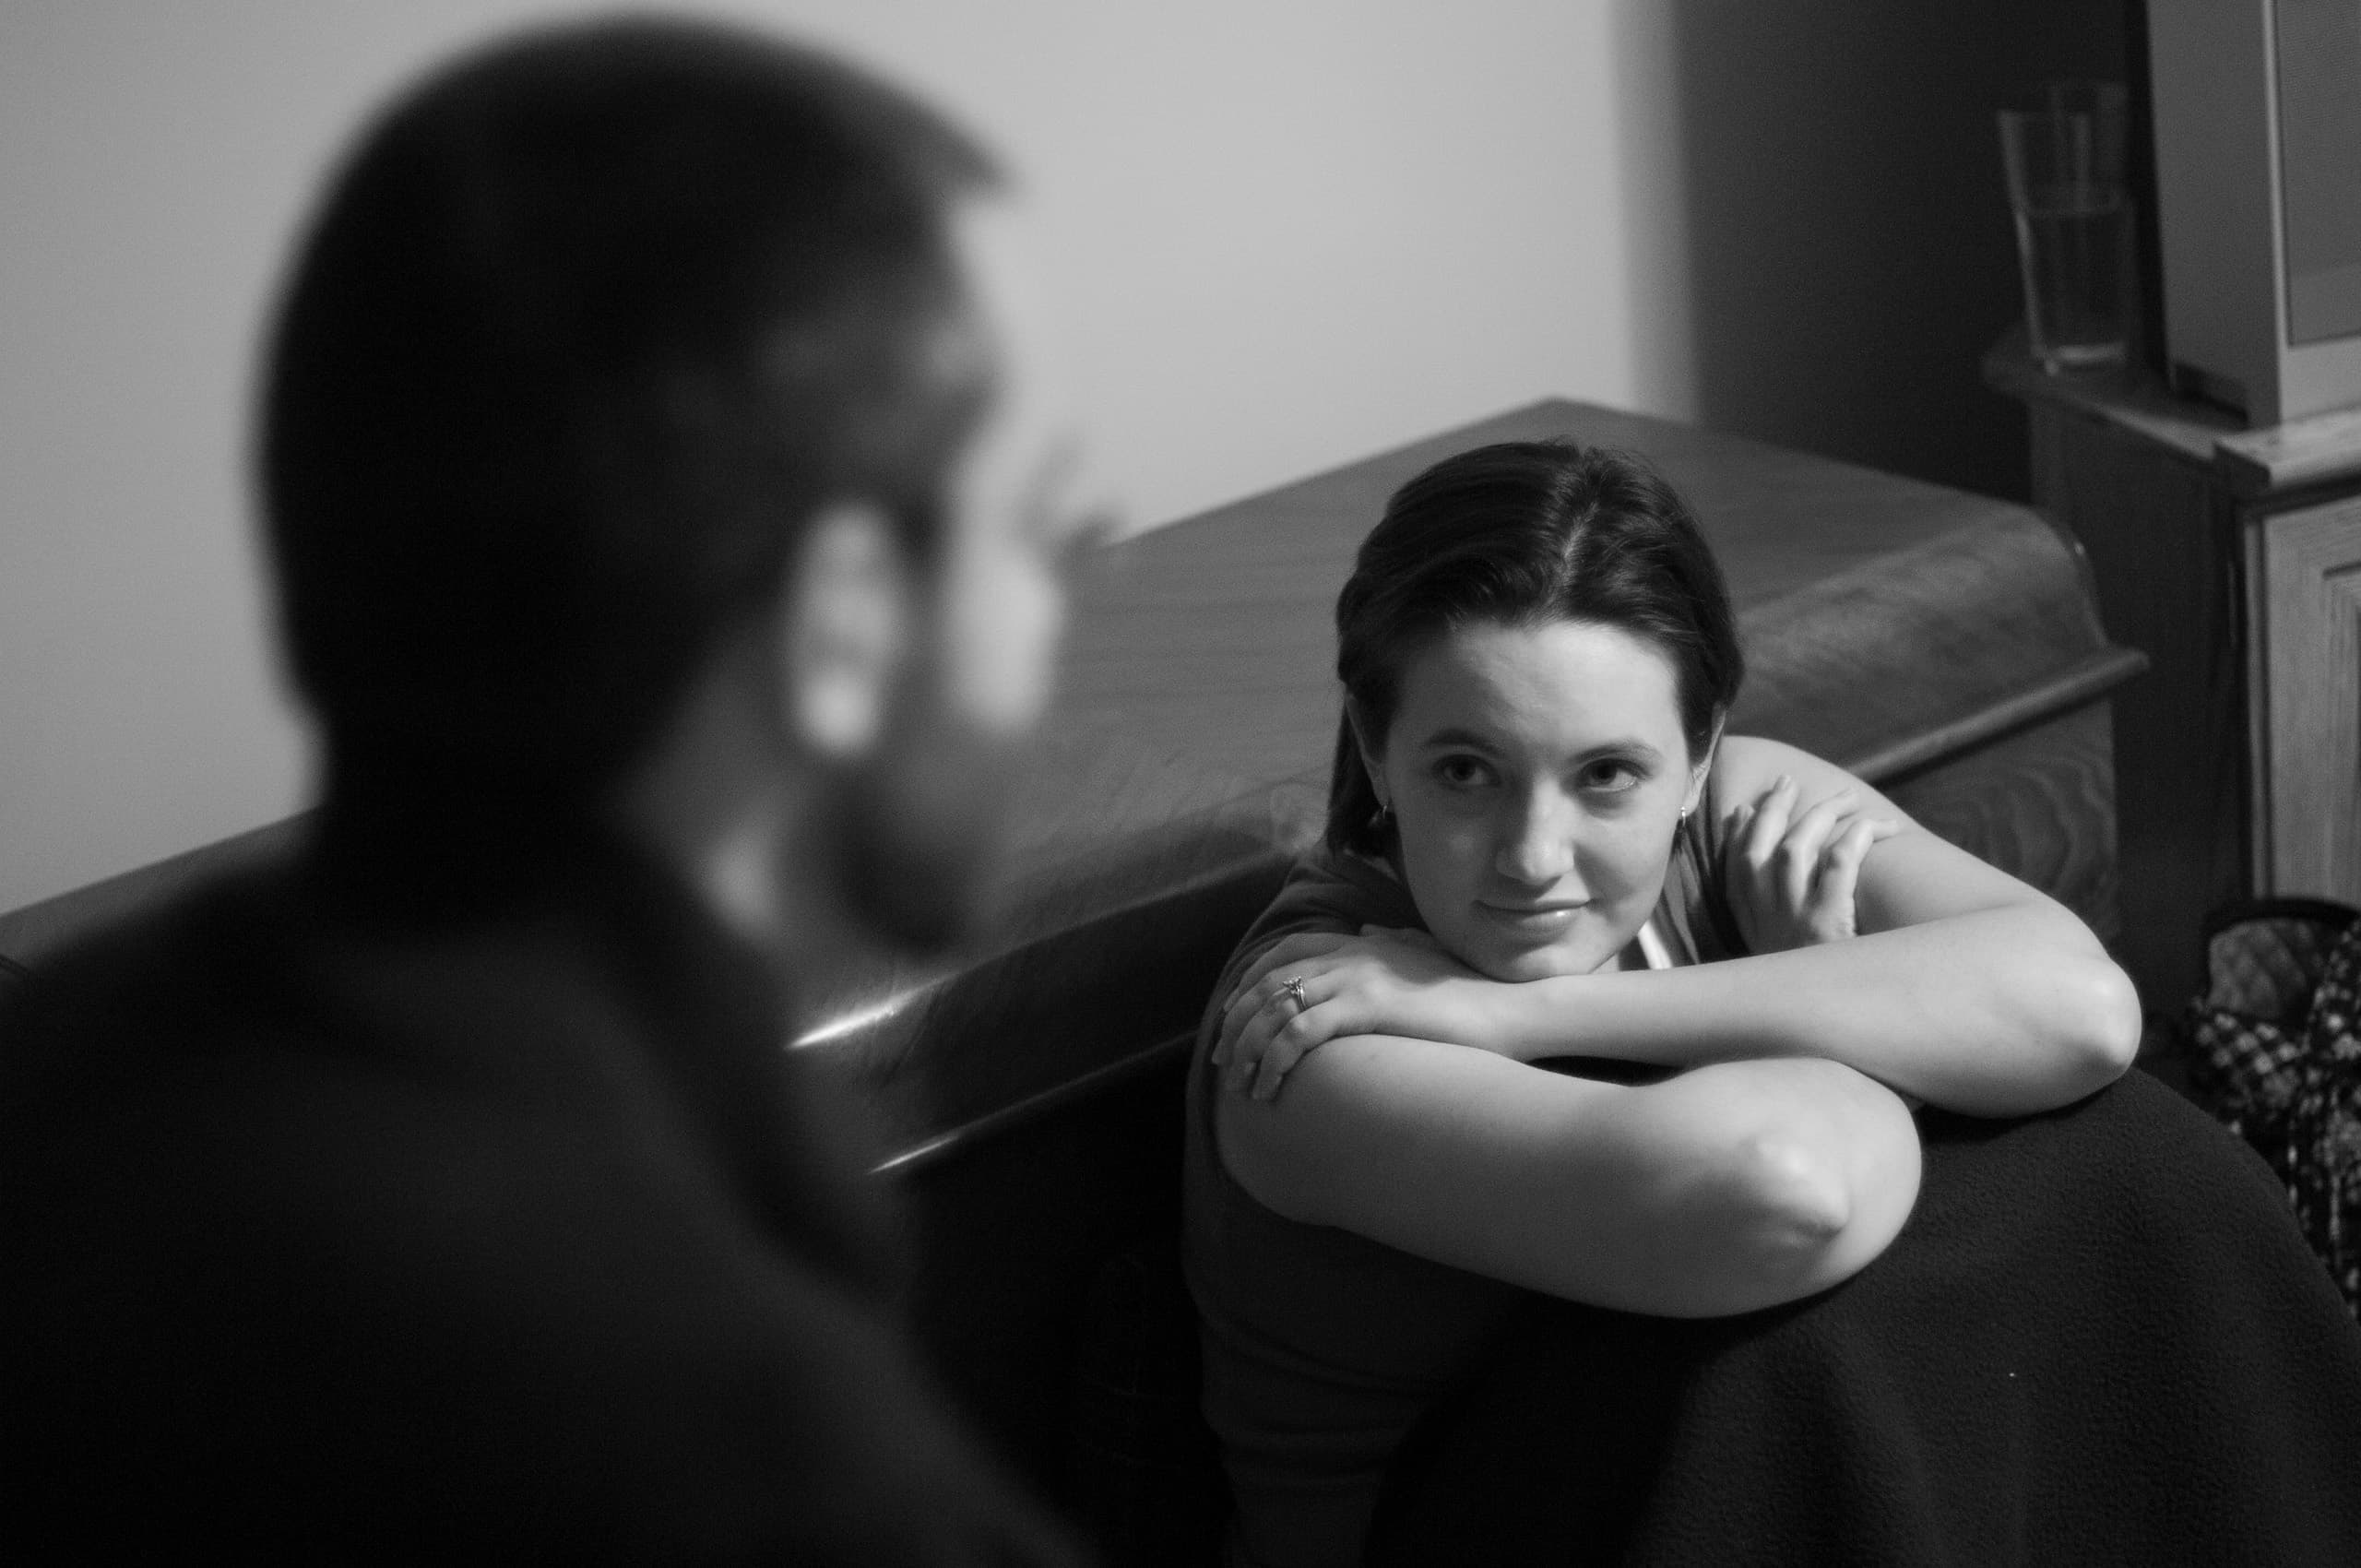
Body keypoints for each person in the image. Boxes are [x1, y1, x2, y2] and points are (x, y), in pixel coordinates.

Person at [0, 18, 1109, 1563]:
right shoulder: (774, 1478)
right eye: (1043, 537)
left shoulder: (59, 1070)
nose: (1062, 611)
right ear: (841, 625)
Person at [1183, 439, 2361, 1567]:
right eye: (1464, 770)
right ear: (1373, 749)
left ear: (1699, 755)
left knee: (2128, 1151)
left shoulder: (1737, 819)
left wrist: (1516, 1016)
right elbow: (1782, 1190)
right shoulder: (1313, 1022)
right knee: (1798, 1347)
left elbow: (2082, 1011)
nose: (1534, 855)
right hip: (1472, 1529)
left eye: (1606, 775)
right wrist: (1848, 1001)